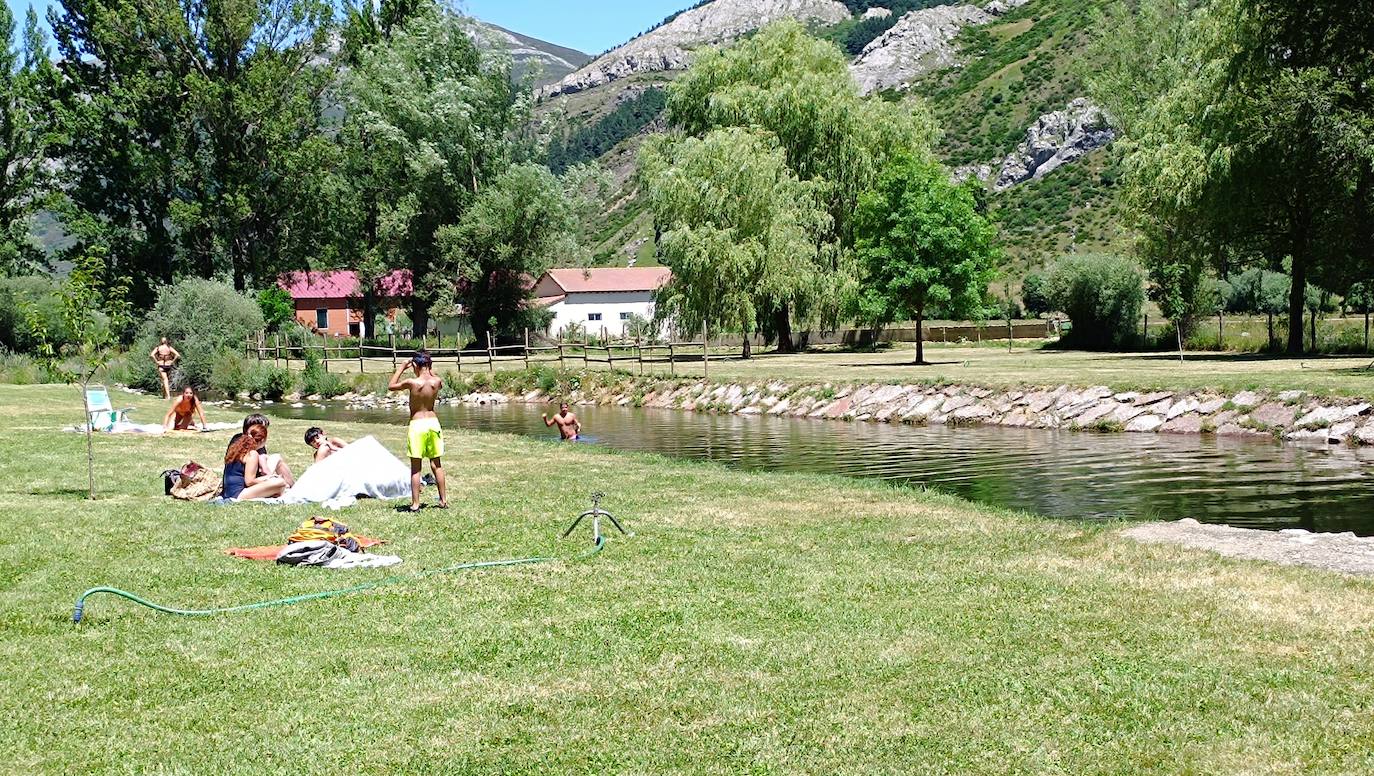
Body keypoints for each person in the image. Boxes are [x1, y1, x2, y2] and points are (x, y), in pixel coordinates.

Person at [388, 350, 447, 511]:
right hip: (433, 423)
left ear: (415, 365)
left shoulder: (412, 383)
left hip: (417, 424)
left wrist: (401, 368)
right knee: (437, 464)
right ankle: (443, 500)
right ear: (429, 365)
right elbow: (434, 378)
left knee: (416, 466)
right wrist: (429, 368)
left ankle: (415, 504)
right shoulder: (437, 381)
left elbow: (391, 386)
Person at [226, 414, 295, 487]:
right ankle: (293, 488)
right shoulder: (256, 444)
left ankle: (291, 486)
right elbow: (264, 470)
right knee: (277, 458)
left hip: (236, 479)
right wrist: (274, 479)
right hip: (249, 481)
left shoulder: (237, 440)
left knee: (275, 459)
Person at [222, 424, 287, 501]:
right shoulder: (252, 454)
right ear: (263, 440)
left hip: (228, 491)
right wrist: (268, 478)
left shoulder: (237, 448)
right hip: (238, 494)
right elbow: (249, 482)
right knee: (281, 482)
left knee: (276, 482)